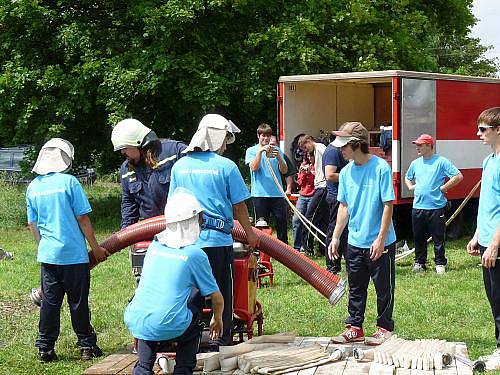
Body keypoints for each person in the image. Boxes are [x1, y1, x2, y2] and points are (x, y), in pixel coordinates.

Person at [169, 114, 258, 348]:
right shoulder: (226, 167)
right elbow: (239, 205)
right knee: (222, 294)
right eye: (226, 139)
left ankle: (190, 341)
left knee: (191, 295)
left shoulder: (180, 166)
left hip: (187, 242)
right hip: (217, 242)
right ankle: (223, 340)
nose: (226, 145)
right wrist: (250, 233)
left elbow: (172, 205)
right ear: (217, 139)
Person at [26, 138, 109, 362]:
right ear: (65, 159)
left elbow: (33, 224)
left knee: (50, 304)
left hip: (48, 256)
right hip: (73, 256)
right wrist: (96, 248)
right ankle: (87, 347)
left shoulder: (33, 187)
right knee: (78, 303)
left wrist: (44, 247)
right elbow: (82, 218)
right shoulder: (69, 183)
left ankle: (45, 348)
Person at [124, 188, 224, 375]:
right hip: (171, 324)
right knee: (194, 320)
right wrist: (217, 319)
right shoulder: (194, 254)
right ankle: (183, 368)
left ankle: (143, 367)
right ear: (195, 221)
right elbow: (216, 298)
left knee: (152, 322)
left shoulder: (154, 246)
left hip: (137, 319)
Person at [328, 122, 396, 345]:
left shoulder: (380, 168)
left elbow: (388, 205)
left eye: (344, 145)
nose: (340, 149)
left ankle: (384, 328)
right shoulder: (346, 172)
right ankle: (355, 327)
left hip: (379, 242)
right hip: (355, 242)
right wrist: (336, 236)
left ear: (356, 144)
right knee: (356, 287)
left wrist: (380, 238)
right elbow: (344, 206)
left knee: (383, 288)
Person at [467, 107, 500, 370]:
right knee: (493, 296)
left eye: (483, 129)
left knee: (499, 297)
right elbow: (487, 204)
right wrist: (478, 236)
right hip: (487, 239)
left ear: (498, 130)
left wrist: (495, 244)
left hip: (498, 242)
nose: (478, 134)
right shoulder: (488, 161)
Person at [111, 118, 187, 229]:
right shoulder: (126, 170)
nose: (122, 152)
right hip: (150, 232)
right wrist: (125, 232)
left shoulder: (175, 152)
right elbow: (129, 204)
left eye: (124, 148)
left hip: (181, 227)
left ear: (139, 143)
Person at [404, 134, 463, 274]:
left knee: (438, 237)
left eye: (420, 145)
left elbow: (458, 176)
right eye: (416, 145)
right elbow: (407, 177)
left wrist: (445, 187)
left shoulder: (441, 162)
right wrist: (410, 187)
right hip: (418, 207)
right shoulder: (415, 163)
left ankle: (440, 263)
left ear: (429, 146)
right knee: (418, 237)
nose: (417, 147)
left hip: (436, 207)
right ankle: (420, 262)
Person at [245, 123, 288, 244]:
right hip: (260, 194)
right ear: (258, 136)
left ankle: (284, 250)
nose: (266, 138)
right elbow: (253, 168)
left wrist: (278, 156)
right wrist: (260, 152)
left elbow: (284, 170)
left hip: (277, 193)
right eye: (263, 136)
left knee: (282, 222)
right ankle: (262, 251)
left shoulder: (277, 150)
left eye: (268, 136)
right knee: (261, 225)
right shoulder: (251, 151)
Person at [298, 135, 328, 256]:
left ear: (309, 141)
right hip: (322, 186)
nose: (306, 150)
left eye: (305, 147)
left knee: (309, 218)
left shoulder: (320, 148)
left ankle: (307, 248)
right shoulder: (317, 150)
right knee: (323, 221)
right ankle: (323, 248)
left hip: (322, 187)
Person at [323, 138, 348, 274]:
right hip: (336, 197)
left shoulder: (335, 149)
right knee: (335, 231)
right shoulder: (333, 151)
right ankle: (332, 266)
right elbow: (330, 175)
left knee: (343, 232)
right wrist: (350, 175)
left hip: (342, 195)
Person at [292, 151, 315, 252]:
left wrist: (310, 173)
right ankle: (297, 247)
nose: (310, 158)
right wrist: (303, 174)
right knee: (296, 219)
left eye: (311, 156)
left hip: (314, 195)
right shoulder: (303, 165)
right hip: (303, 195)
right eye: (308, 156)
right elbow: (300, 183)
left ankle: (307, 247)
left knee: (310, 222)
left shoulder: (317, 166)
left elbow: (316, 182)